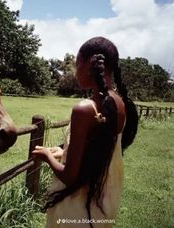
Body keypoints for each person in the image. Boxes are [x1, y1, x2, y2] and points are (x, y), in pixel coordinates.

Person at [32, 36, 138, 227]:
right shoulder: (120, 103)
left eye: (76, 64)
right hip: (104, 203)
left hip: (77, 210)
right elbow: (96, 147)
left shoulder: (84, 109)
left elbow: (70, 176)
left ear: (89, 64)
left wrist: (47, 155)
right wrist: (63, 152)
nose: (75, 70)